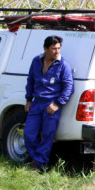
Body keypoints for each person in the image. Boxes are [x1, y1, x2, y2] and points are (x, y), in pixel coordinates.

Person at [24, 35, 74, 172]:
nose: (57, 51)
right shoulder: (36, 61)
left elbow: (69, 87)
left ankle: (39, 165)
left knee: (47, 135)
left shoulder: (63, 65)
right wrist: (28, 100)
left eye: (58, 48)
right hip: (36, 103)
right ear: (45, 48)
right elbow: (31, 81)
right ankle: (36, 159)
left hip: (51, 105)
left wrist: (58, 103)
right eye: (53, 49)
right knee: (28, 134)